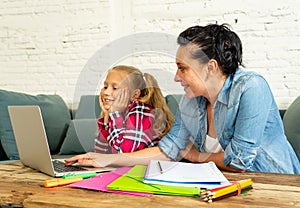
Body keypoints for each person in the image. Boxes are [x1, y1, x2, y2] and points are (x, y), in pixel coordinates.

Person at [66, 24, 300, 174]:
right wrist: (108, 160)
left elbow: (239, 162)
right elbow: (169, 149)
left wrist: (194, 156)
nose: (176, 77)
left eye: (182, 68)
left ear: (210, 67)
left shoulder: (251, 87)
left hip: (275, 184)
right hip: (225, 187)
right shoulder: (192, 98)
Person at [94, 65, 174, 154]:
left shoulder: (141, 112)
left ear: (135, 94)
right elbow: (100, 154)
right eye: (105, 87)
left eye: (115, 88)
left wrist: (114, 114)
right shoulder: (115, 115)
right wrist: (106, 116)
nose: (106, 92)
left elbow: (125, 155)